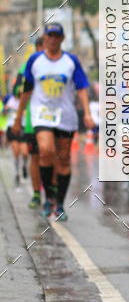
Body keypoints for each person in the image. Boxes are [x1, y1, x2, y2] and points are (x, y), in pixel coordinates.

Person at [12, 22, 94, 221]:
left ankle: (60, 204)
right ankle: (48, 198)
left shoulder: (71, 61)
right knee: (46, 150)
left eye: (57, 36)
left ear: (62, 39)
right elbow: (26, 91)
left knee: (63, 158)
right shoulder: (35, 60)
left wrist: (87, 113)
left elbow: (82, 87)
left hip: (65, 115)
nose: (53, 39)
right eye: (50, 35)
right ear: (45, 38)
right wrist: (18, 117)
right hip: (42, 114)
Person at [14, 37, 45, 208]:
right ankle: (36, 193)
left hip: (55, 120)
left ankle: (52, 194)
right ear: (38, 48)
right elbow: (17, 91)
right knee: (35, 156)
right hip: (33, 120)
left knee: (52, 156)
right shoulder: (27, 67)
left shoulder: (60, 63)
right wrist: (18, 118)